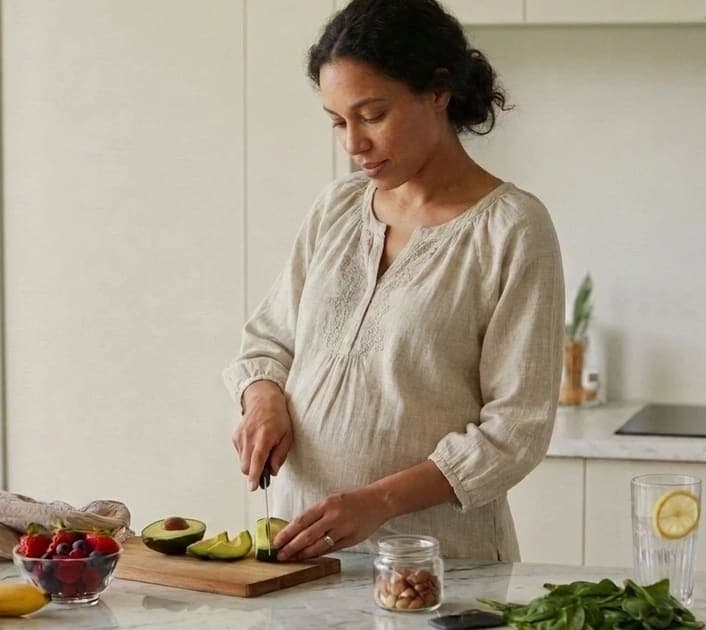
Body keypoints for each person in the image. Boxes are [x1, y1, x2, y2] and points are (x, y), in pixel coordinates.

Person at [221, 0, 564, 563]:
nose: (353, 143)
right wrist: (262, 401)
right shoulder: (337, 208)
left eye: (372, 115)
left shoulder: (512, 228)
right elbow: (268, 341)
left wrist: (377, 502)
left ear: (437, 91)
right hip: (299, 558)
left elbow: (515, 431)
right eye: (337, 121)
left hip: (443, 567)